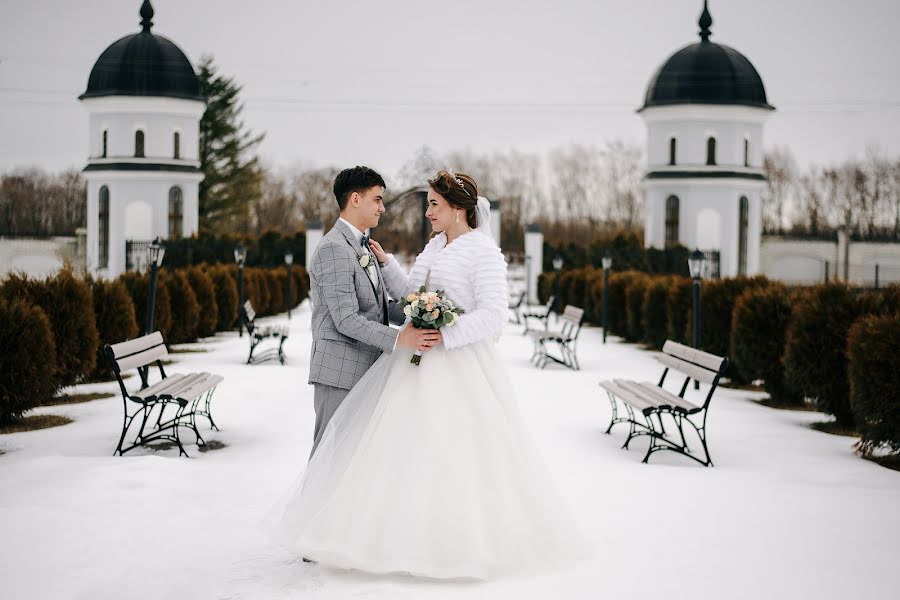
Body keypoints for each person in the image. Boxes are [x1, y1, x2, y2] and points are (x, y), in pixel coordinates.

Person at [267, 170, 588, 579]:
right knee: (400, 447)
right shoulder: (434, 246)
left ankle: (460, 539)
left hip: (458, 364)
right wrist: (385, 266)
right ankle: (385, 532)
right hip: (415, 362)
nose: (428, 212)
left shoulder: (483, 252)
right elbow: (413, 296)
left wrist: (444, 333)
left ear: (458, 208)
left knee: (456, 451)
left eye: (434, 204)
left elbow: (493, 316)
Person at [305, 166, 439, 457]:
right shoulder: (334, 249)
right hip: (339, 373)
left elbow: (378, 307)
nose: (382, 208)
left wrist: (426, 315)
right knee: (329, 458)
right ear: (355, 199)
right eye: (377, 200)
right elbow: (346, 319)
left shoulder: (362, 246)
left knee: (354, 460)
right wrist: (401, 339)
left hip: (366, 369)